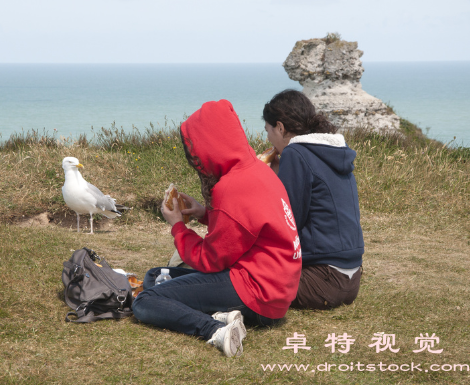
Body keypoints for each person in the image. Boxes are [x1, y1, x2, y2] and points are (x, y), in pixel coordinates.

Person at [131, 99, 301, 358]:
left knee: (145, 301)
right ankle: (228, 314)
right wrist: (205, 214)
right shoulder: (257, 169)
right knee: (157, 275)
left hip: (257, 293)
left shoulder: (230, 187)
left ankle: (216, 329)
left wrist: (177, 226)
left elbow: (208, 260)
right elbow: (246, 226)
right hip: (277, 291)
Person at [262, 89, 364, 310]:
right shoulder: (333, 150)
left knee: (248, 281)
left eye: (268, 130)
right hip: (351, 278)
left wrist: (267, 181)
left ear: (280, 127)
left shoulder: (295, 153)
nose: (268, 138)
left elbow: (286, 223)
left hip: (321, 280)